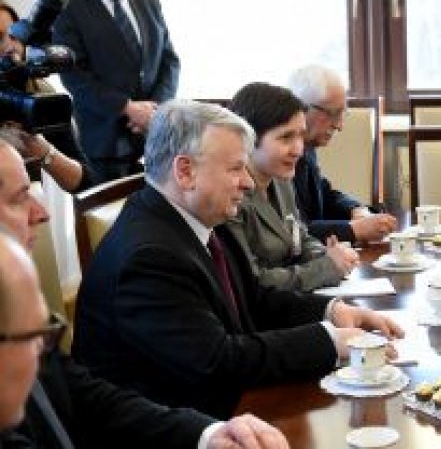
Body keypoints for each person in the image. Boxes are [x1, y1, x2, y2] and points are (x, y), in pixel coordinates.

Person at [73, 100, 403, 419]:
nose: (247, 183)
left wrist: (335, 312)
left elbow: (254, 301)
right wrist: (329, 341)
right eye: (234, 169)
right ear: (185, 172)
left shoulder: (201, 221)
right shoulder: (149, 258)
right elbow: (218, 362)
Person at [0, 140, 289, 448]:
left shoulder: (15, 295)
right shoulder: (148, 252)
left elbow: (82, 394)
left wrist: (207, 435)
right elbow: (216, 361)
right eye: (20, 198)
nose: (41, 213)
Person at [53, 0, 180, 184]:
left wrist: (154, 112)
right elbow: (75, 77)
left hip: (157, 139)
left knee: (160, 221)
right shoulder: (69, 8)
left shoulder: (149, 4)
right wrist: (128, 108)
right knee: (108, 221)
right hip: (104, 143)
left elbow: (170, 62)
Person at [225, 82, 359, 291]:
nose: (299, 149)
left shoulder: (281, 179)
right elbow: (255, 282)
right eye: (286, 137)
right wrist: (325, 268)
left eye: (301, 136)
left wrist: (327, 255)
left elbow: (299, 236)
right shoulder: (229, 196)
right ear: (248, 139)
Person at [287, 65, 396, 243]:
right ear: (302, 108)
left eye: (342, 113)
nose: (339, 126)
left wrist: (356, 209)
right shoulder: (275, 158)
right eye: (333, 114)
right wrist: (354, 230)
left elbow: (323, 193)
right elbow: (290, 232)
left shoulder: (307, 147)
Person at [0, 0, 92, 192]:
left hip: (26, 211)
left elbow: (83, 182)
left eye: (15, 36)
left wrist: (42, 150)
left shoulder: (41, 94)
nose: (10, 47)